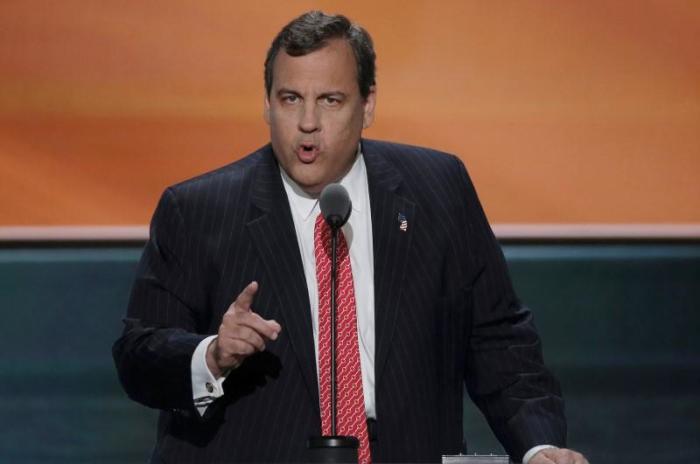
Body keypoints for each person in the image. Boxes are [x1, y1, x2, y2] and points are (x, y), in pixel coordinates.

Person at [113, 10, 588, 464]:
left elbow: (498, 337)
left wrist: (536, 445)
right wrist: (211, 355)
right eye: (290, 98)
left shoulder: (439, 189)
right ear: (266, 103)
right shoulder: (199, 210)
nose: (307, 123)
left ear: (368, 105)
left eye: (330, 100)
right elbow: (138, 355)